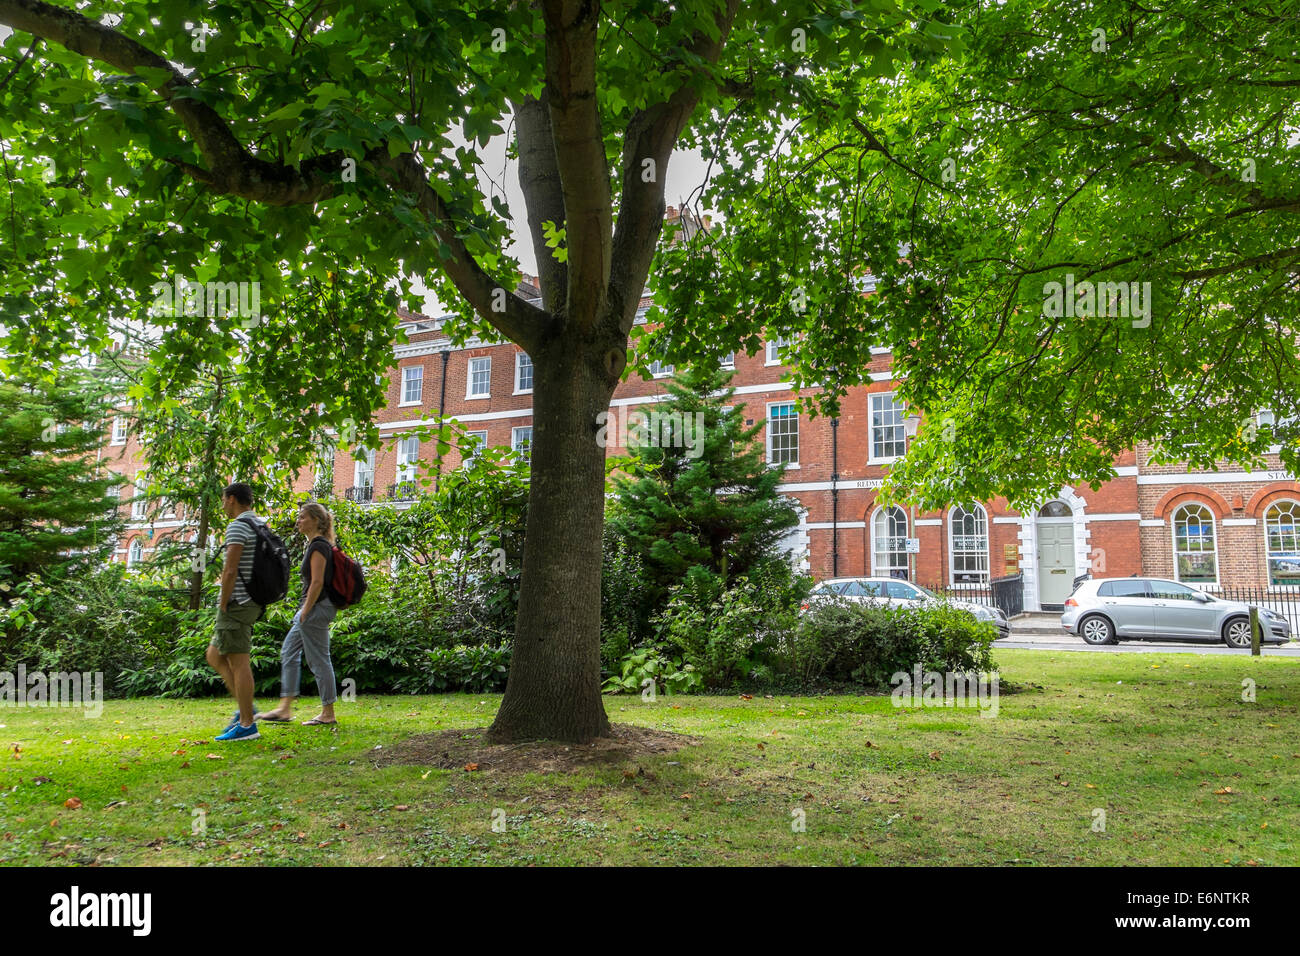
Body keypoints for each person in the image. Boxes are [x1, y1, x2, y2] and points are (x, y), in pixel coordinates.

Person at [255, 501, 340, 726]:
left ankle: (328, 713)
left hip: (316, 608)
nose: (298, 521)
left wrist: (306, 610)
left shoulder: (319, 546)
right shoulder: (315, 545)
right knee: (289, 652)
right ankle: (284, 708)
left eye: (303, 517)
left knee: (319, 659)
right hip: (311, 608)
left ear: (316, 520)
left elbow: (318, 582)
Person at [207, 482, 264, 742]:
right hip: (252, 600)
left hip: (237, 603)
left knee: (238, 661)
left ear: (231, 499)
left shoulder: (239, 526)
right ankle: (246, 707)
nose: (222, 505)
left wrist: (223, 602)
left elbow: (229, 570)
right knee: (214, 655)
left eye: (223, 499)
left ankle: (247, 724)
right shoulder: (259, 524)